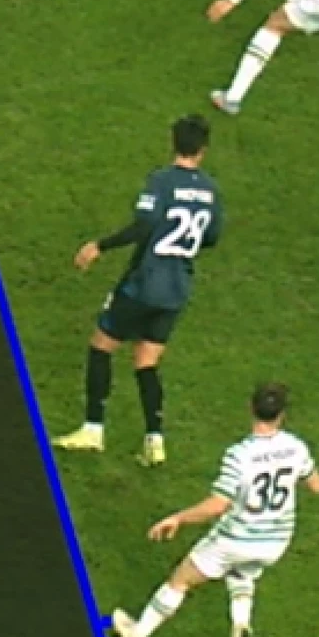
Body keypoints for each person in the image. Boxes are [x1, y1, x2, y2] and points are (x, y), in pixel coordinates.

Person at [106, 383, 319, 637]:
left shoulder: (240, 454)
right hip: (275, 543)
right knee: (242, 575)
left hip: (236, 539)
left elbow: (218, 505)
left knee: (180, 580)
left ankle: (136, 635)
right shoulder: (297, 447)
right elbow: (316, 486)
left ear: (251, 408)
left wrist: (178, 518)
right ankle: (242, 635)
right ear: (282, 414)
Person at [52, 115, 223, 467]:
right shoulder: (211, 190)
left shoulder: (161, 181)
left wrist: (99, 246)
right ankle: (154, 440)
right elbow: (211, 236)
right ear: (203, 150)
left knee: (101, 345)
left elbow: (144, 224)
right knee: (147, 360)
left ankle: (93, 429)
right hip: (177, 289)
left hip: (145, 283)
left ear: (172, 141)